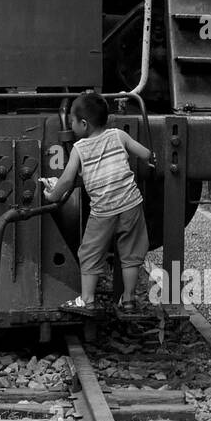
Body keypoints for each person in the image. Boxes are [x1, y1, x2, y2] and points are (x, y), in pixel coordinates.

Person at [41, 91, 155, 317]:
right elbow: (145, 153)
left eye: (72, 122)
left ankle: (88, 300)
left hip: (103, 211)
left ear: (83, 124)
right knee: (131, 254)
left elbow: (66, 180)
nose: (71, 125)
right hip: (131, 204)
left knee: (90, 253)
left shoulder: (79, 149)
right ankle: (129, 300)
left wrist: (52, 196)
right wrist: (150, 161)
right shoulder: (118, 135)